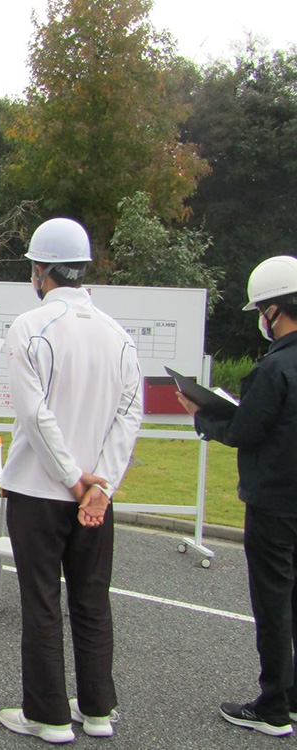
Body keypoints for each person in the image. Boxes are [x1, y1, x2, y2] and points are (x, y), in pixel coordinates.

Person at [0, 218, 142, 744]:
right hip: (96, 497)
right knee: (91, 598)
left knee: (41, 602)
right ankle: (98, 709)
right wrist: (101, 485)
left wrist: (73, 479)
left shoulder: (28, 327)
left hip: (40, 490)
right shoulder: (119, 335)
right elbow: (130, 414)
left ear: (39, 270)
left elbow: (35, 417)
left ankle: (50, 716)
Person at [178, 256, 297, 737]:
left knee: (274, 605)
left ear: (273, 311)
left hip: (273, 504)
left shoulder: (274, 370)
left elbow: (246, 430)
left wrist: (202, 414)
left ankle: (273, 706)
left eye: (261, 313)